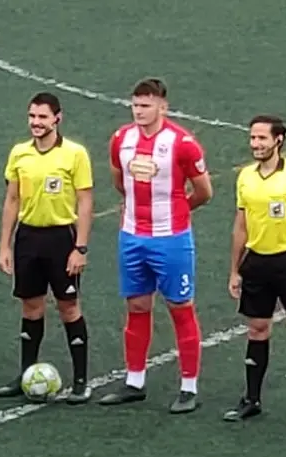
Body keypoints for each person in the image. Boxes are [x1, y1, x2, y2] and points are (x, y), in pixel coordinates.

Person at [97, 78, 213, 414]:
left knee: (180, 308)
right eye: (135, 105)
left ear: (163, 106)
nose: (139, 111)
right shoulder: (121, 139)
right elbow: (120, 180)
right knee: (136, 307)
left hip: (171, 240)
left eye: (146, 105)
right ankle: (135, 381)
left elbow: (204, 191)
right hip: (132, 237)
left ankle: (189, 387)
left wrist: (177, 212)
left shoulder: (183, 143)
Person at [223, 114, 286, 430]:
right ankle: (252, 400)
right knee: (257, 329)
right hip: (256, 262)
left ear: (278, 140)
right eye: (253, 138)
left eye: (262, 139)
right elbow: (240, 226)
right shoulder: (245, 177)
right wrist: (235, 270)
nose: (255, 144)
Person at [0, 92, 94, 404]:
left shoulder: (75, 154)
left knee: (68, 306)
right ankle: (26, 374)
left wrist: (80, 247)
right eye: (32, 117)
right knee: (31, 306)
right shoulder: (19, 153)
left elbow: (85, 201)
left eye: (42, 117)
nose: (36, 123)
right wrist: (4, 246)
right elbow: (12, 200)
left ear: (57, 119)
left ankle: (81, 381)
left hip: (61, 239)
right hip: (28, 238)